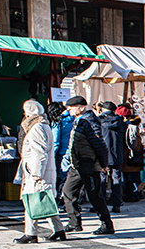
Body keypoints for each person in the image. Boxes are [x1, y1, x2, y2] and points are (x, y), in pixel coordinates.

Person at [61, 96, 114, 235]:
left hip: (89, 164)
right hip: (77, 164)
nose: (69, 110)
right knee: (68, 191)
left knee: (94, 195)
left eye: (71, 107)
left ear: (81, 107)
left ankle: (107, 224)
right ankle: (74, 222)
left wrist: (103, 164)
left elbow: (99, 144)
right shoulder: (79, 121)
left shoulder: (90, 122)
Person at [14, 100, 64, 243]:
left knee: (32, 201)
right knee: (44, 201)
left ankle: (30, 234)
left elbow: (39, 153)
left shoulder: (36, 127)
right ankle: (59, 230)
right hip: (40, 170)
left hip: (36, 172)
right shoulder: (43, 125)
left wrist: (36, 173)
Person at [96, 102, 127, 212]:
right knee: (116, 178)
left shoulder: (99, 121)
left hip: (102, 153)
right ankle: (117, 204)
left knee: (101, 179)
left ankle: (101, 204)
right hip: (116, 153)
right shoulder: (120, 121)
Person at [50, 102, 73, 195]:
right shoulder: (73, 118)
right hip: (73, 150)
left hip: (63, 152)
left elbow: (55, 141)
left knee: (65, 176)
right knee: (72, 177)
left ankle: (65, 198)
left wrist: (52, 154)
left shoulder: (58, 121)